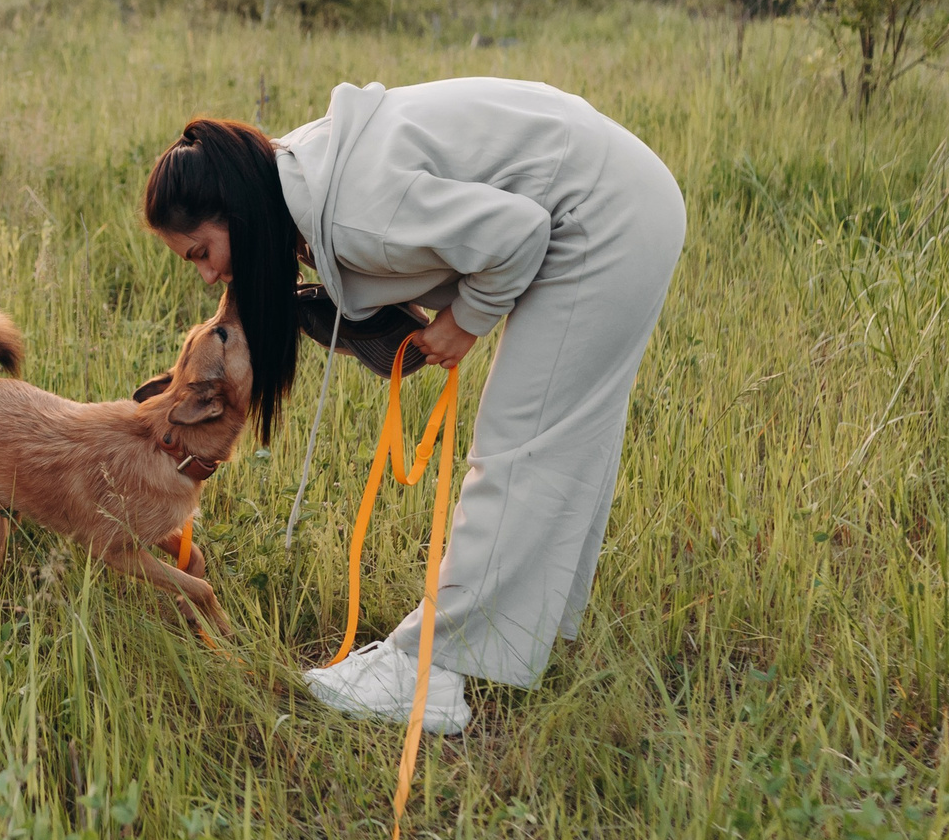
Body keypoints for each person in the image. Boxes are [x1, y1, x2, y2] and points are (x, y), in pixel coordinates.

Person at [144, 78, 686, 730]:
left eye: (202, 252)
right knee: (566, 434)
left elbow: (518, 233)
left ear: (236, 208)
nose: (208, 275)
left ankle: (428, 671)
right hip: (620, 192)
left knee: (520, 439)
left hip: (605, 216)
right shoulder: (294, 177)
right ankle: (526, 628)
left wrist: (468, 319)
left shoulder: (351, 212)